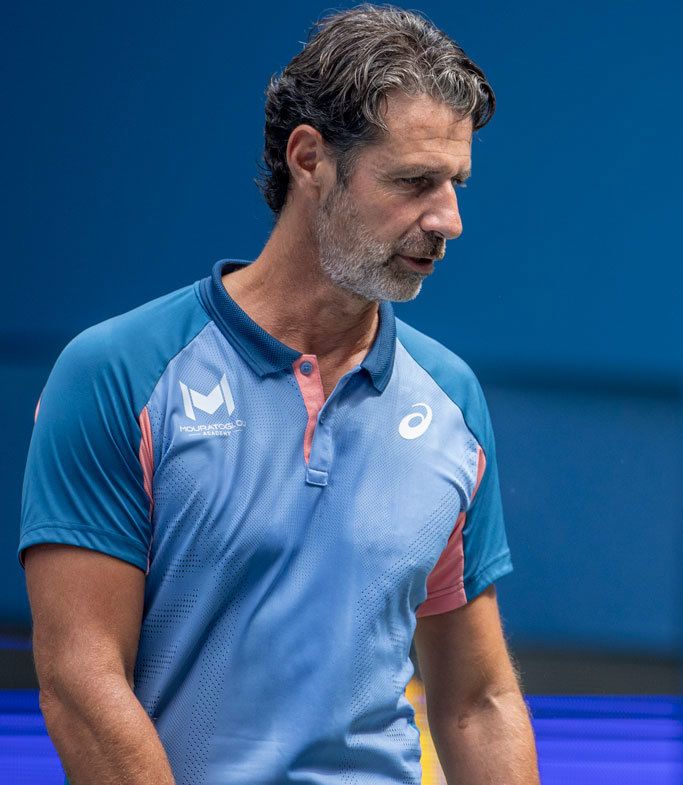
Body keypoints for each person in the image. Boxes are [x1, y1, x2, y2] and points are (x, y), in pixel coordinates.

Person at [20, 6, 538, 783]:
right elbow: (81, 679)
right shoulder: (116, 373)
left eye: (455, 183)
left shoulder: (453, 404)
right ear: (309, 159)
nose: (449, 220)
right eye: (414, 182)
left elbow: (476, 700)